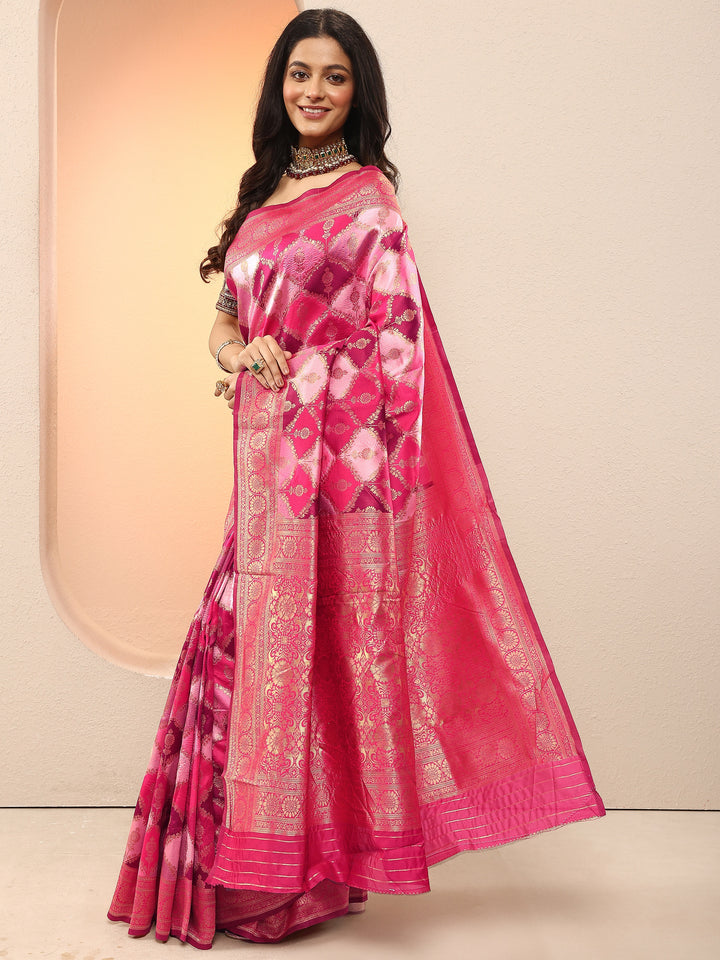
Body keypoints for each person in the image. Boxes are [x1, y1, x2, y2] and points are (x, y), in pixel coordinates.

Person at [107, 8, 606, 949]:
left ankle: (295, 878)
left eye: (335, 77)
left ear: (357, 93)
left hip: (337, 477)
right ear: (278, 83)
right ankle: (251, 863)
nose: (314, 91)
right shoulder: (261, 194)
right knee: (250, 644)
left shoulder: (370, 205)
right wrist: (242, 352)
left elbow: (393, 348)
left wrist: (298, 370)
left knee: (323, 654)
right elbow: (225, 318)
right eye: (300, 73)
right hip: (265, 471)